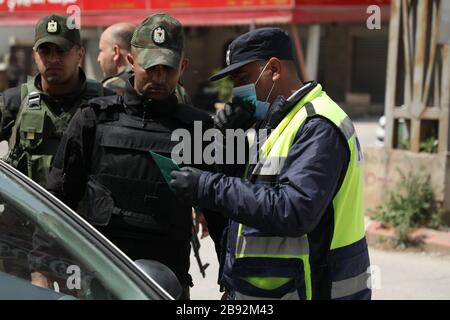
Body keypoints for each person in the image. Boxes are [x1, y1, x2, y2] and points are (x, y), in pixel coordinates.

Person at [169, 27, 371, 300]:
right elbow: (247, 199)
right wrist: (228, 143)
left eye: (244, 78)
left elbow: (293, 209)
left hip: (313, 289)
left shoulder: (317, 124)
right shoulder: (277, 123)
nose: (237, 90)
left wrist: (207, 185)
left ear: (274, 69)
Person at [44, 13, 226, 299]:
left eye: (168, 68)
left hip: (167, 284)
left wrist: (229, 280)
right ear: (131, 61)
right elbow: (57, 202)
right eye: (150, 68)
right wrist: (42, 267)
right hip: (100, 279)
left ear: (184, 66)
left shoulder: (199, 129)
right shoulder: (93, 120)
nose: (158, 77)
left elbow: (219, 216)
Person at [0, 14, 110, 187]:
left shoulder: (106, 103)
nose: (53, 59)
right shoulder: (13, 102)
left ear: (80, 54)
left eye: (62, 50)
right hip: (29, 211)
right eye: (45, 51)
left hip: (79, 214)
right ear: (35, 54)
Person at [98, 22, 191, 103]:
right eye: (150, 68)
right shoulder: (178, 88)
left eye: (101, 50)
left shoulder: (109, 87)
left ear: (116, 51)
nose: (158, 79)